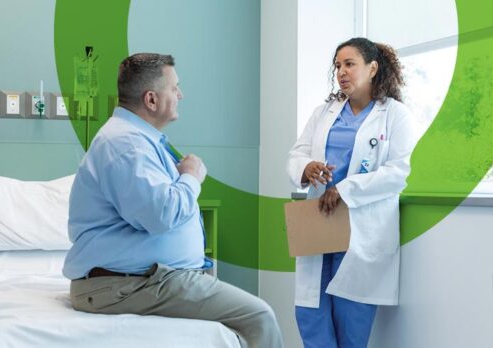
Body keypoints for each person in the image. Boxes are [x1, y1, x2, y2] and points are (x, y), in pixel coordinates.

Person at [65, 53, 283, 348]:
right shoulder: (126, 145)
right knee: (259, 316)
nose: (181, 94)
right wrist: (191, 176)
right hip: (128, 285)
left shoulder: (135, 140)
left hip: (141, 279)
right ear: (152, 100)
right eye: (175, 88)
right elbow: (161, 214)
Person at [286, 38, 419, 348]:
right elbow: (297, 154)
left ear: (372, 68)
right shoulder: (324, 112)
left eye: (349, 64)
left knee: (352, 321)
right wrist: (305, 168)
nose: (341, 72)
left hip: (361, 226)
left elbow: (399, 172)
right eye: (337, 66)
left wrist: (345, 190)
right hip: (320, 222)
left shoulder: (395, 115)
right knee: (309, 313)